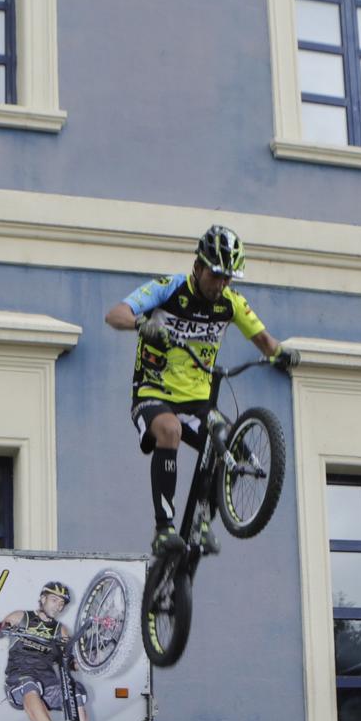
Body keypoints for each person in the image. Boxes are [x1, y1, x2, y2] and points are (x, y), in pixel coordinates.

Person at [105, 224, 287, 560]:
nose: (221, 285)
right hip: (153, 392)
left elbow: (266, 341)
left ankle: (204, 520)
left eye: (227, 278)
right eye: (215, 275)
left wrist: (283, 354)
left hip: (198, 401)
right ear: (199, 267)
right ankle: (164, 529)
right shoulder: (169, 289)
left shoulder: (231, 303)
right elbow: (115, 314)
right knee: (170, 430)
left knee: (229, 441)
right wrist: (141, 324)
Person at [0, 581, 90, 721]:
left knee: (75, 692)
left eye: (62, 603)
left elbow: (72, 664)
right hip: (19, 679)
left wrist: (93, 659)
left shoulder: (60, 631)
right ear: (42, 599)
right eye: (54, 600)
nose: (58, 606)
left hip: (49, 684)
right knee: (30, 685)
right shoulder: (20, 617)